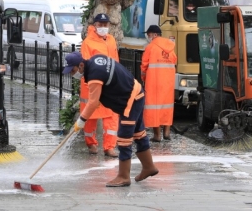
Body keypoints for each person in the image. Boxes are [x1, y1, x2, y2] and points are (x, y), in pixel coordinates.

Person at [65, 51, 158, 187]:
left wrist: (81, 120)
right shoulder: (96, 60)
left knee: (124, 138)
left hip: (130, 101)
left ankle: (123, 176)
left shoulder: (94, 75)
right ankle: (149, 167)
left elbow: (93, 102)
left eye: (72, 71)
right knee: (138, 133)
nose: (72, 74)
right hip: (136, 93)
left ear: (80, 65)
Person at [78, 13, 120, 157]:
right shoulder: (88, 42)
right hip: (94, 83)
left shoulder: (111, 40)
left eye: (105, 25)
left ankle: (109, 147)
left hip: (109, 84)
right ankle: (91, 144)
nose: (103, 27)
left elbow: (116, 61)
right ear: (94, 25)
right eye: (100, 25)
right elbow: (86, 65)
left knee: (111, 117)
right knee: (90, 116)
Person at [140, 25, 177, 142]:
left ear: (154, 35)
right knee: (167, 106)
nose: (148, 37)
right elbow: (175, 62)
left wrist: (143, 78)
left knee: (154, 108)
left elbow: (144, 66)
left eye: (149, 35)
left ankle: (157, 135)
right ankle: (166, 133)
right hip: (168, 82)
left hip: (154, 82)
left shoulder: (150, 47)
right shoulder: (171, 48)